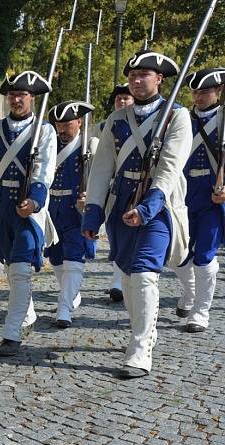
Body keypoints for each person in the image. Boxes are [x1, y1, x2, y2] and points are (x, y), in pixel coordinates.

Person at [82, 50, 192, 379]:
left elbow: (170, 168)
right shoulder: (116, 120)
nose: (137, 79)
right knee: (128, 275)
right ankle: (143, 329)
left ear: (159, 79)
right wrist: (94, 212)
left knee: (144, 274)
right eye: (133, 74)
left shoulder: (177, 116)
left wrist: (148, 208)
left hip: (158, 208)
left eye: (145, 74)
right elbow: (102, 169)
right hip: (121, 205)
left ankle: (141, 346)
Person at [0, 71, 57, 355]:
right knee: (9, 265)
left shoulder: (44, 131)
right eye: (12, 95)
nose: (16, 100)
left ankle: (12, 332)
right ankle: (27, 313)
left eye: (22, 95)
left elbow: (44, 169)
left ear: (32, 98)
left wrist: (34, 200)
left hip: (28, 210)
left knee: (19, 271)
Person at [174, 67, 225, 332]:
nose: (199, 97)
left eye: (204, 91)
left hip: (212, 195)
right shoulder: (182, 118)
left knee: (204, 255)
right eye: (195, 91)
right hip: (183, 192)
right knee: (179, 254)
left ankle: (201, 312)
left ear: (218, 91)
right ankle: (189, 293)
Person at [45, 101, 97, 328]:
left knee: (74, 259)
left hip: (76, 209)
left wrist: (92, 197)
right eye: (59, 124)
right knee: (56, 258)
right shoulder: (49, 144)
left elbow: (103, 175)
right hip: (52, 207)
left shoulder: (90, 145)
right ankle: (70, 293)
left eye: (67, 124)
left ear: (78, 122)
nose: (62, 130)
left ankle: (64, 308)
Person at [98, 84, 135, 303]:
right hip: (112, 188)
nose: (122, 102)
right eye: (119, 99)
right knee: (116, 238)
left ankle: (122, 282)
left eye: (126, 99)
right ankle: (118, 280)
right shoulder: (105, 126)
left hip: (135, 187)